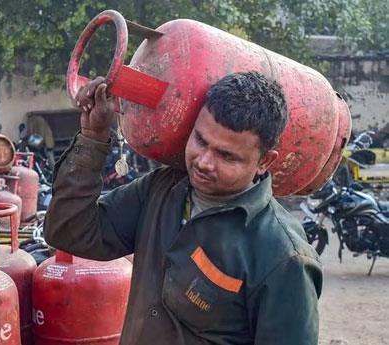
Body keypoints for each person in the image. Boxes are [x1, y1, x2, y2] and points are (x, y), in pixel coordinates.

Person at [44, 71, 322, 345]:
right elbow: (70, 233)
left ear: (265, 162)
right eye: (200, 140)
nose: (203, 162)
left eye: (226, 156)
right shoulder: (161, 190)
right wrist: (93, 137)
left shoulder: (284, 259)